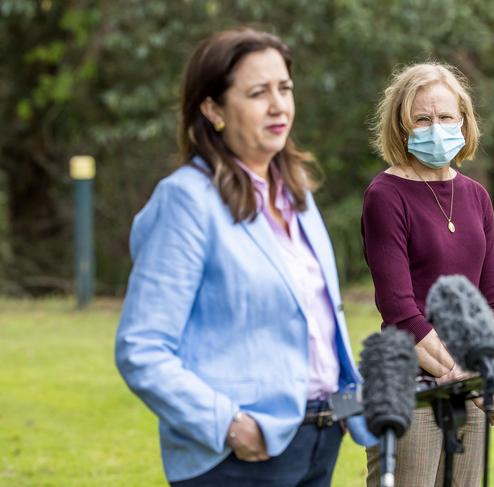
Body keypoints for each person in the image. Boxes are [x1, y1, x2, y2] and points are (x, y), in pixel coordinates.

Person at [115, 27, 366, 487]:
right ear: (212, 109)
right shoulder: (186, 201)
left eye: (285, 88)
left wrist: (349, 404)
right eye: (258, 93)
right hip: (238, 461)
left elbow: (322, 327)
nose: (278, 106)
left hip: (320, 442)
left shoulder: (297, 197)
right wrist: (228, 427)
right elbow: (141, 349)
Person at [361, 62, 494, 486]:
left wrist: (482, 369)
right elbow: (398, 309)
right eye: (422, 119)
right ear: (402, 126)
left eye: (445, 117)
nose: (436, 127)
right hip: (411, 389)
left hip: (472, 386)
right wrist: (466, 375)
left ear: (463, 120)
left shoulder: (475, 196)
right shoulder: (385, 196)